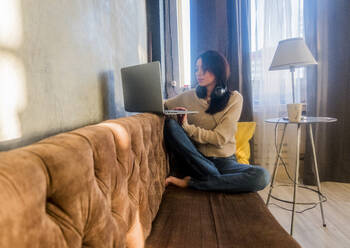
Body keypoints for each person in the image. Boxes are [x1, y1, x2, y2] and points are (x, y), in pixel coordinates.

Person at [164, 50, 270, 193]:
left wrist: (187, 128)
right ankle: (214, 179)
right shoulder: (189, 96)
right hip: (197, 160)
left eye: (204, 69)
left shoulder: (234, 99)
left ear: (217, 70)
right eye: (197, 69)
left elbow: (220, 138)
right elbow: (164, 104)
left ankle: (193, 182)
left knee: (261, 176)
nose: (199, 73)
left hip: (226, 162)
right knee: (170, 125)